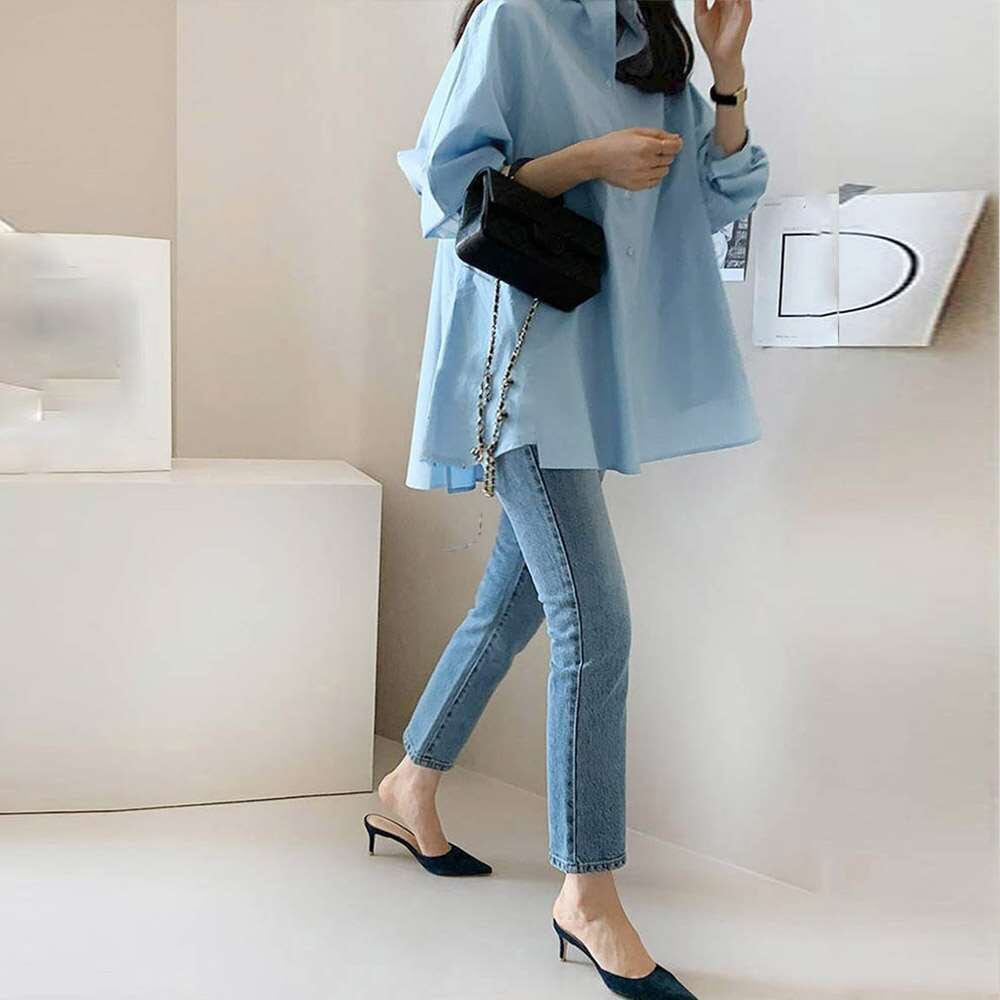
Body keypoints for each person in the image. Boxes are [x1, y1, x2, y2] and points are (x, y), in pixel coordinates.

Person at [367, 2, 769, 997]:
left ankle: (408, 784)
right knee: (597, 623)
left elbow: (720, 196)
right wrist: (587, 158)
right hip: (516, 365)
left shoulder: (649, 43)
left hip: (587, 370)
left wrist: (724, 72)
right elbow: (449, 184)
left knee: (513, 605)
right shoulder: (517, 18)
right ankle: (586, 893)